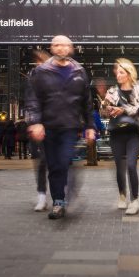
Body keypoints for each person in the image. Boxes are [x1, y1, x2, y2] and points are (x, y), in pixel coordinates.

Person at [26, 35, 96, 219]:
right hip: (48, 126)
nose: (61, 48)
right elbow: (33, 99)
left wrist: (90, 126)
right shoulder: (41, 71)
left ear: (71, 48)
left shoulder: (79, 71)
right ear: (51, 48)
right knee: (54, 166)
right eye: (57, 45)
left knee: (64, 160)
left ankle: (65, 194)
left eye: (65, 45)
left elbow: (87, 102)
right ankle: (58, 202)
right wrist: (35, 122)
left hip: (70, 126)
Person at [101, 58, 139, 215]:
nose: (118, 75)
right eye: (117, 72)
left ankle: (135, 200)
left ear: (129, 74)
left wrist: (123, 109)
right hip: (116, 133)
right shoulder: (112, 91)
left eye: (121, 72)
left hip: (133, 132)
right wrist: (106, 107)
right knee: (120, 168)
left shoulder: (138, 87)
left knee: (131, 166)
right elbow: (104, 113)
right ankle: (122, 195)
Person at [28, 49, 51, 211]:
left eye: (42, 61)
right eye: (37, 62)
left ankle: (60, 193)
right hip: (38, 127)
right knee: (41, 162)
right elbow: (30, 101)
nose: (39, 64)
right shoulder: (32, 78)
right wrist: (34, 122)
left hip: (55, 125)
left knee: (57, 162)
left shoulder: (56, 77)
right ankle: (42, 195)